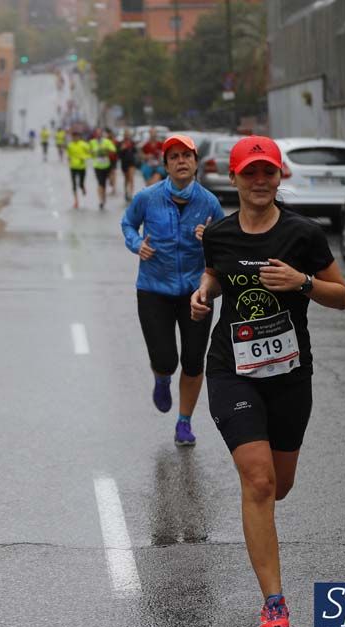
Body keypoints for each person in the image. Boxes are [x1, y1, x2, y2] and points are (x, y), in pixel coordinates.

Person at [189, 136, 345, 627]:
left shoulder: (303, 233)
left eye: (268, 173)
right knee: (258, 481)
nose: (260, 182)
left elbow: (342, 296)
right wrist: (204, 292)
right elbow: (216, 272)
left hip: (289, 375)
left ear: (280, 177)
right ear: (233, 179)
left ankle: (268, 567)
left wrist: (302, 283)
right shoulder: (218, 233)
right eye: (249, 173)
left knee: (280, 485)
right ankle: (274, 604)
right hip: (230, 368)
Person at [121, 134, 224, 447]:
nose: (182, 161)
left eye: (187, 156)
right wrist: (138, 245)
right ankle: (162, 377)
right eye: (174, 156)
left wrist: (211, 238)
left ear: (195, 163)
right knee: (166, 359)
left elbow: (225, 246)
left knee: (194, 360)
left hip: (196, 291)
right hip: (154, 289)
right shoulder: (147, 198)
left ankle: (184, 422)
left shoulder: (209, 202)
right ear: (165, 165)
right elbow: (127, 224)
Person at [90, 129, 117, 210]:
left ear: (102, 134)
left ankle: (104, 197)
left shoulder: (106, 141)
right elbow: (89, 151)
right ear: (95, 134)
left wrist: (107, 150)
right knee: (100, 183)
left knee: (105, 183)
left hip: (106, 165)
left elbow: (113, 149)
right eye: (97, 134)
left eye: (100, 133)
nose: (98, 135)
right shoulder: (92, 142)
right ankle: (101, 200)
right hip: (97, 166)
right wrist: (93, 152)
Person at [66, 129, 92, 209]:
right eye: (73, 136)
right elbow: (68, 155)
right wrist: (69, 159)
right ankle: (76, 201)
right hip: (73, 167)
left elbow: (90, 153)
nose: (75, 138)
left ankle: (83, 187)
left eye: (76, 136)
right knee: (74, 185)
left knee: (80, 183)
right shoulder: (70, 145)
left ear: (79, 137)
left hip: (82, 167)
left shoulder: (84, 145)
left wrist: (83, 158)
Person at [118, 129, 138, 202]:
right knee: (126, 179)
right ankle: (126, 191)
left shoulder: (132, 143)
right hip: (124, 163)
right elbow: (119, 155)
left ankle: (130, 194)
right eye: (126, 134)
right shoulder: (121, 143)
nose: (127, 135)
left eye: (128, 134)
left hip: (131, 162)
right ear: (124, 135)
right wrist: (122, 149)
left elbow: (135, 151)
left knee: (131, 177)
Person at [106, 128, 119, 196]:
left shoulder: (115, 141)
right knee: (109, 174)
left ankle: (114, 188)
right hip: (106, 160)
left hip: (113, 159)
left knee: (113, 173)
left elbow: (117, 150)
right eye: (108, 133)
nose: (109, 135)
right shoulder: (105, 141)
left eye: (110, 133)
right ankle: (111, 183)